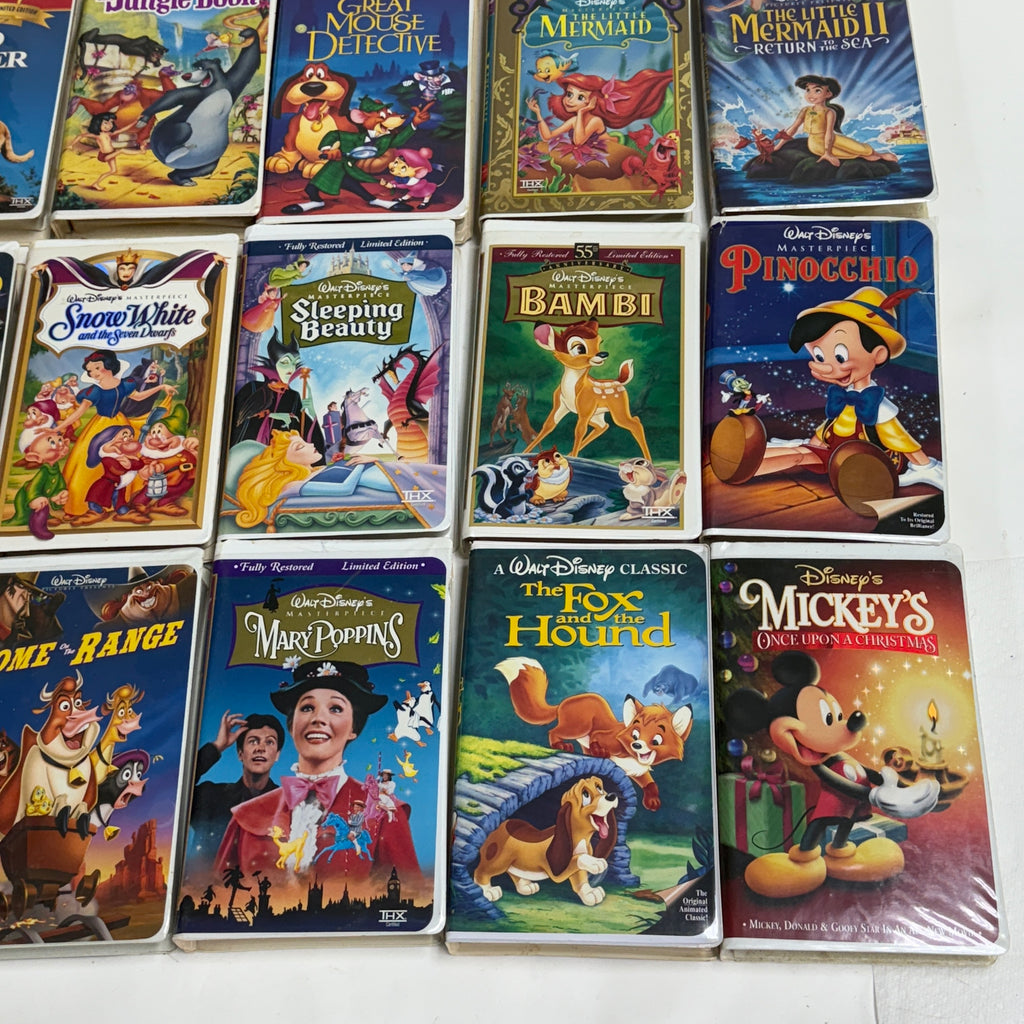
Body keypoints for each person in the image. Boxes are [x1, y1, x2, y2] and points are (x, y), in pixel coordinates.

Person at [214, 661, 421, 887]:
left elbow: (411, 895)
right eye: (307, 708)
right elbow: (212, 892)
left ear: (353, 728)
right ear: (292, 726)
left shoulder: (383, 812)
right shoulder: (246, 816)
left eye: (335, 709)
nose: (318, 719)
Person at [524, 69, 673, 183]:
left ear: (592, 101)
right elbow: (548, 136)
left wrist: (581, 113)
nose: (570, 100)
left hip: (623, 144)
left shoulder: (595, 120)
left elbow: (578, 141)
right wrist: (538, 113)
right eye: (569, 94)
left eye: (580, 97)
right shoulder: (575, 120)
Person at [189, 711, 284, 859]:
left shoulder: (287, 805)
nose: (261, 748)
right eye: (253, 741)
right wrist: (217, 746)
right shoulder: (210, 797)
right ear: (240, 754)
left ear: (277, 754)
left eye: (269, 742)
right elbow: (174, 788)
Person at [774, 75, 898, 167]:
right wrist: (778, 146)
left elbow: (829, 133)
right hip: (816, 143)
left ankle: (878, 154)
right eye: (808, 90)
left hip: (832, 138)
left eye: (817, 90)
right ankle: (866, 157)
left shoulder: (829, 112)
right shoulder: (805, 110)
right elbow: (793, 128)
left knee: (859, 147)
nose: (811, 94)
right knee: (850, 153)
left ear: (828, 94)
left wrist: (828, 153)